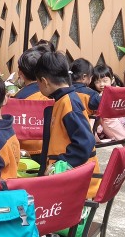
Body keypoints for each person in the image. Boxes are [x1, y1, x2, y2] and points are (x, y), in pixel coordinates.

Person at [36, 51, 100, 197]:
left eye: (38, 83)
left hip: (76, 183)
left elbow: (85, 142)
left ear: (44, 81)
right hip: (68, 178)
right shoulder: (63, 100)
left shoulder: (68, 103)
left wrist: (60, 164)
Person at [92, 63, 125, 142]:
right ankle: (124, 139)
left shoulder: (118, 90)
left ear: (112, 80)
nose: (101, 84)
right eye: (97, 82)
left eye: (105, 81)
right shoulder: (95, 95)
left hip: (121, 120)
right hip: (107, 124)